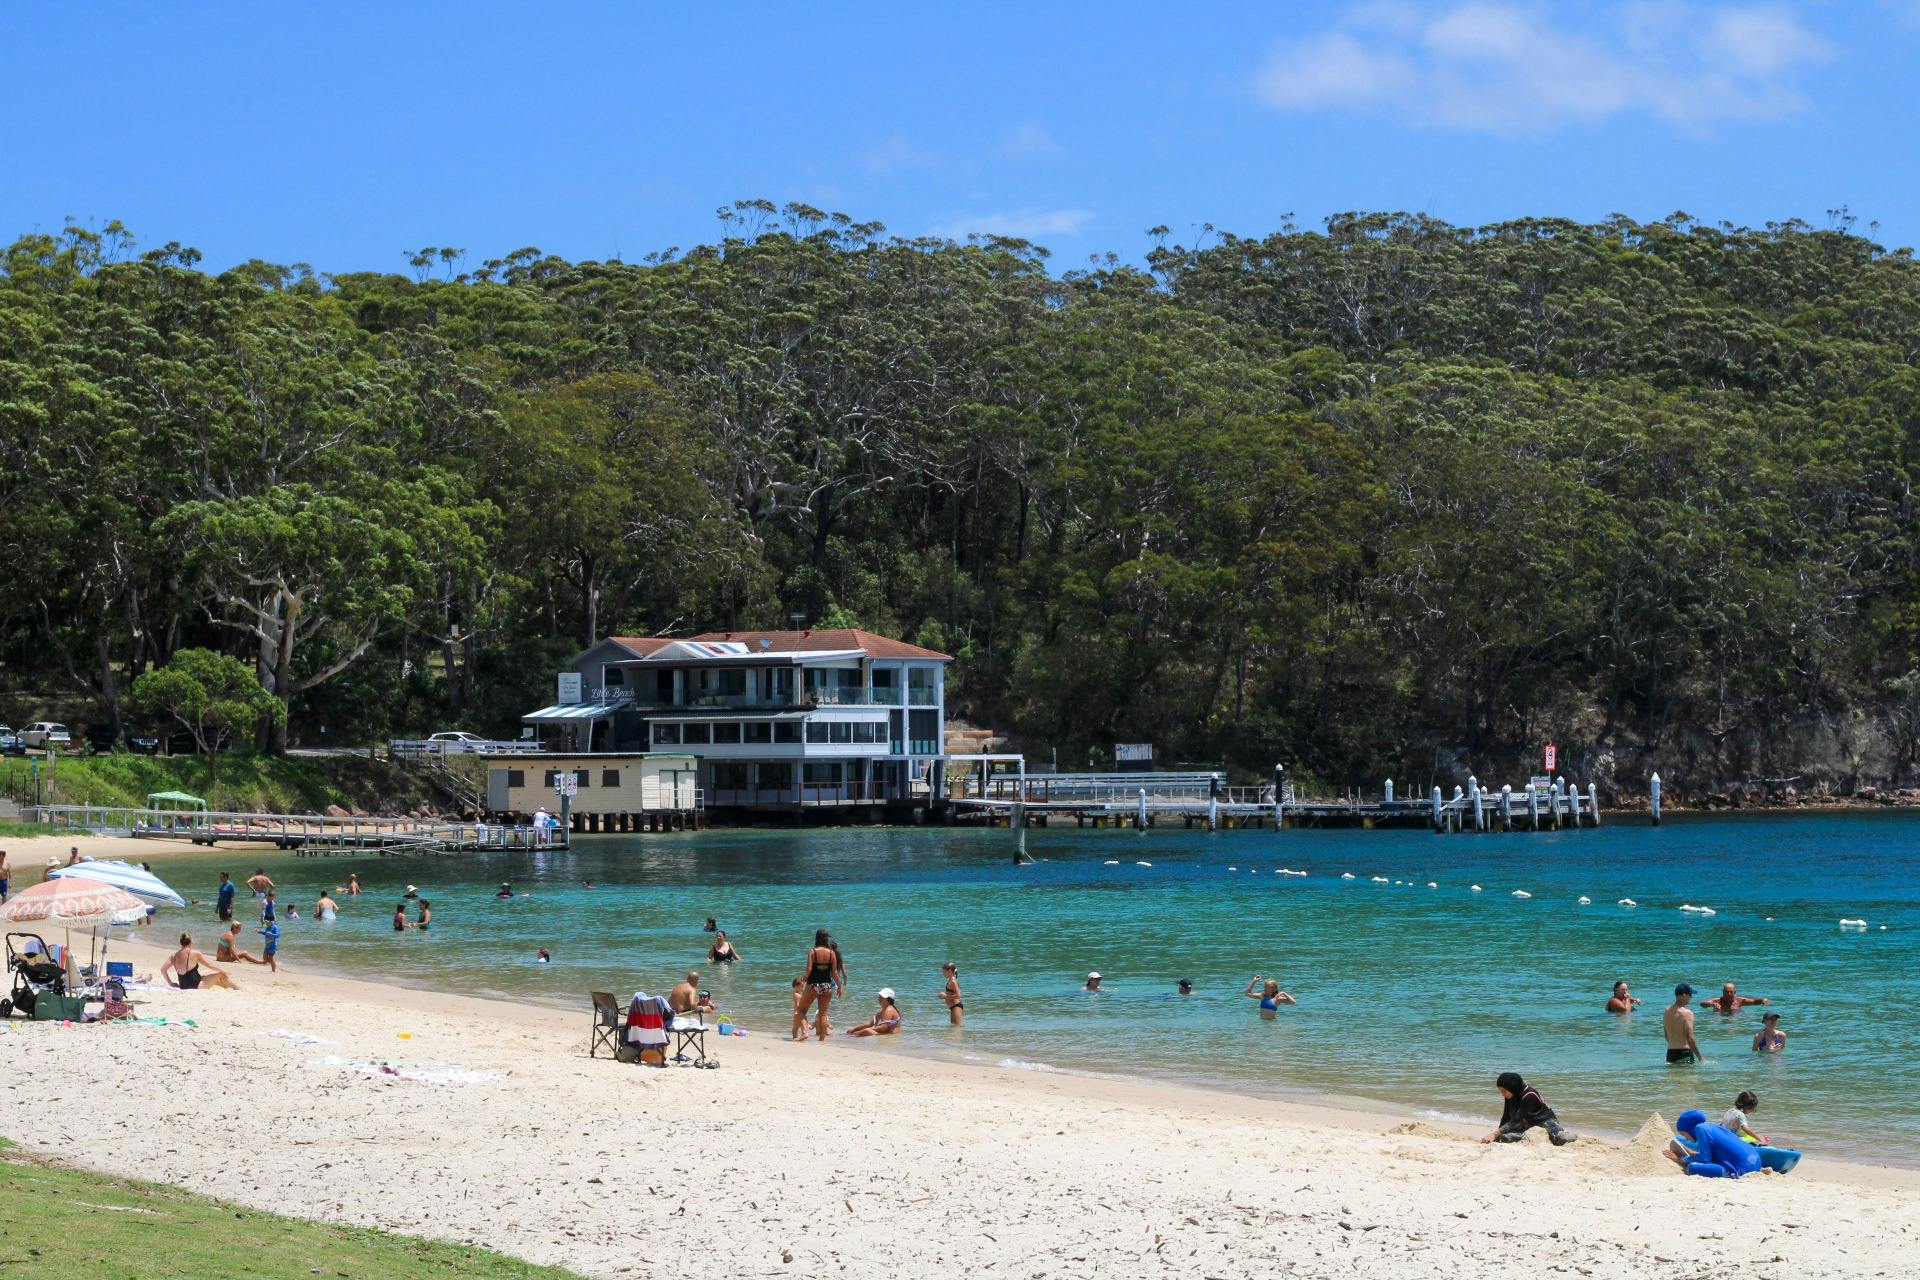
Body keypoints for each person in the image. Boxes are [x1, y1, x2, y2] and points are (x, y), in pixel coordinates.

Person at [1481, 1072, 1577, 1145]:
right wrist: (1497, 1137)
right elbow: (1506, 1117)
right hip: (1526, 1123)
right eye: (1501, 1092)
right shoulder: (1511, 1094)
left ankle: (1577, 1136)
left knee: (1558, 1138)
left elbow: (1515, 1121)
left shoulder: (1530, 1096)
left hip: (1544, 1120)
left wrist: (1494, 1134)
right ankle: (1526, 1137)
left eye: (1504, 1091)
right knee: (1505, 1138)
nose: (1503, 1094)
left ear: (1513, 1087)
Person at [1667, 1109, 1762, 1178]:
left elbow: (1705, 1160)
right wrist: (1693, 1154)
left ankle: (1729, 1173)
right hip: (1756, 1161)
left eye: (1683, 1133)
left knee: (1692, 1168)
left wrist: (1681, 1159)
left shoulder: (1700, 1128)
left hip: (1743, 1167)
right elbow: (1716, 1153)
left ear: (1689, 1128)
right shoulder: (1713, 1126)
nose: (1684, 1137)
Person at [796, 929, 846, 1040]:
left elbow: (809, 970)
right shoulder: (831, 953)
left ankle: (805, 1033)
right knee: (823, 1014)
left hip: (813, 985)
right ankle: (822, 1040)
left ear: (817, 938)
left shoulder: (812, 952)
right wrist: (839, 987)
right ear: (826, 939)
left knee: (801, 1010)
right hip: (827, 986)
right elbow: (834, 973)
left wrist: (803, 980)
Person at [162, 933, 236, 990]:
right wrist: (223, 971)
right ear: (190, 942)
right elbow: (210, 965)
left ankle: (223, 984)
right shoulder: (195, 953)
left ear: (181, 943)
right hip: (196, 986)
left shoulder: (173, 956)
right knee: (220, 974)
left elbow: (163, 970)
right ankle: (237, 988)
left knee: (208, 971)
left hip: (183, 985)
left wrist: (170, 983)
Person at [1664, 984, 1706, 1064]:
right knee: (1688, 1076)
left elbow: (1666, 1034)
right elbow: (1690, 1038)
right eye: (1690, 995)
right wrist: (1700, 1057)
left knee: (1672, 1076)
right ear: (1684, 995)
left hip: (1670, 1054)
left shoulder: (1667, 1011)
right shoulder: (1687, 1013)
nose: (1691, 998)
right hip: (1684, 1053)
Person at [1703, 982, 1769, 1015]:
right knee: (1716, 1014)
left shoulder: (1739, 1001)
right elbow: (1702, 1004)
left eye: (1731, 992)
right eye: (1727, 992)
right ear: (1723, 992)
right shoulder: (1718, 1001)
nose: (1729, 994)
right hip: (1721, 1017)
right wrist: (1712, 1004)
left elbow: (1754, 1001)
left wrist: (1762, 1000)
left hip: (1736, 1017)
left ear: (1735, 992)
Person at [940, 961, 964, 1026]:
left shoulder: (953, 981)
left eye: (944, 972)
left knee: (956, 1028)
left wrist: (945, 996)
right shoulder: (950, 981)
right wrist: (944, 994)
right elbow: (951, 993)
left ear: (950, 971)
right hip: (953, 1007)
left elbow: (958, 995)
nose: (942, 974)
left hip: (956, 1006)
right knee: (954, 1028)